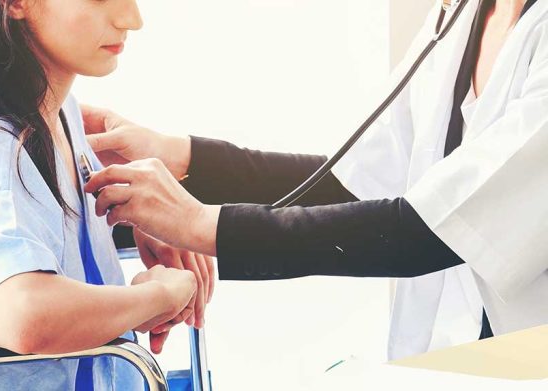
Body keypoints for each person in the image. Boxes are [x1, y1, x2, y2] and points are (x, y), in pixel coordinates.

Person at [82, 0, 548, 360]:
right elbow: (356, 182)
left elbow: (426, 231)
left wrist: (204, 226)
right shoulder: (462, 15)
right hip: (460, 353)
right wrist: (181, 157)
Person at [0, 0, 209, 389]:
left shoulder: (60, 116)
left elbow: (45, 231)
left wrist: (144, 219)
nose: (132, 19)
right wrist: (158, 297)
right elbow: (24, 312)